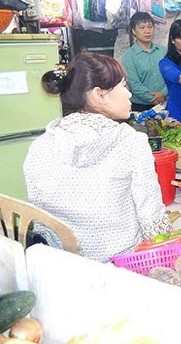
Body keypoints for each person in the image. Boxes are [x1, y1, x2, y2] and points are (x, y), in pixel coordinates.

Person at [23, 53, 172, 262]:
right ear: (99, 95)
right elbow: (152, 220)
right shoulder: (131, 143)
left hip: (62, 267)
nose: (129, 95)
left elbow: (41, 218)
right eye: (123, 86)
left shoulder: (39, 146)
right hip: (122, 269)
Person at [121, 12, 168, 112]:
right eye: (142, 28)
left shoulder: (164, 52)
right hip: (140, 108)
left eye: (150, 27)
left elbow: (172, 76)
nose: (147, 31)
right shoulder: (128, 57)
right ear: (134, 31)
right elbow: (134, 85)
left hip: (165, 103)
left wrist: (163, 93)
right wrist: (154, 99)